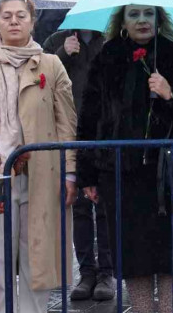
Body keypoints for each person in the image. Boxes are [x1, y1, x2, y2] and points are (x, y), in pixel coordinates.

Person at [77, 4, 173, 313]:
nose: (142, 21)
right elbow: (89, 119)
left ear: (159, 18)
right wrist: (87, 175)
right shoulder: (107, 57)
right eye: (134, 14)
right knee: (133, 255)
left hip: (170, 175)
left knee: (171, 254)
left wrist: (169, 95)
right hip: (121, 173)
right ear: (122, 20)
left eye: (148, 14)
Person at [0, 0, 77, 313]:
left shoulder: (50, 64)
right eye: (6, 16)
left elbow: (66, 122)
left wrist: (70, 172)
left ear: (32, 21)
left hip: (39, 174)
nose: (13, 22)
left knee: (38, 259)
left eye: (20, 16)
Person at [42, 27, 113, 301]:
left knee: (105, 205)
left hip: (102, 133)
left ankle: (107, 271)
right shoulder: (55, 40)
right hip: (69, 132)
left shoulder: (110, 40)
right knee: (79, 207)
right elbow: (40, 80)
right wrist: (63, 55)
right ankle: (87, 272)